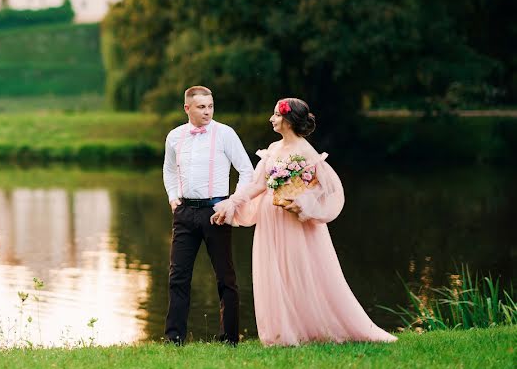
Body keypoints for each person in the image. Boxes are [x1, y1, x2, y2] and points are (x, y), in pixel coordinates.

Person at [211, 98, 397, 346]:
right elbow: (258, 184)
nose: (271, 119)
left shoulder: (306, 151)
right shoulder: (272, 148)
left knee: (298, 272)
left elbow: (327, 187)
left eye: (276, 115)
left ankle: (309, 328)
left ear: (288, 120)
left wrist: (304, 203)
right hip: (270, 219)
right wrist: (233, 203)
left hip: (294, 222)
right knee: (274, 271)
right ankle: (281, 333)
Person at [163, 86, 254, 345]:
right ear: (187, 108)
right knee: (178, 276)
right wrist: (173, 197)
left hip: (217, 212)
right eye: (201, 107)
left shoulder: (225, 134)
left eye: (210, 106)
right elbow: (169, 170)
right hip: (184, 213)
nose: (207, 111)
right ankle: (174, 339)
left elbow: (247, 171)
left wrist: (231, 203)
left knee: (225, 277)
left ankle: (230, 339)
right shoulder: (174, 137)